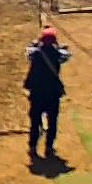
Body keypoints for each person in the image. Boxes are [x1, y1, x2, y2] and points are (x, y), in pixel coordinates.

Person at [24, 26, 71, 158]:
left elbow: (28, 52)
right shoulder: (58, 55)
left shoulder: (36, 54)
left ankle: (33, 146)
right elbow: (67, 55)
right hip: (52, 92)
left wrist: (36, 44)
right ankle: (49, 147)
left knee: (35, 120)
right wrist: (59, 46)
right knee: (52, 121)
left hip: (37, 92)